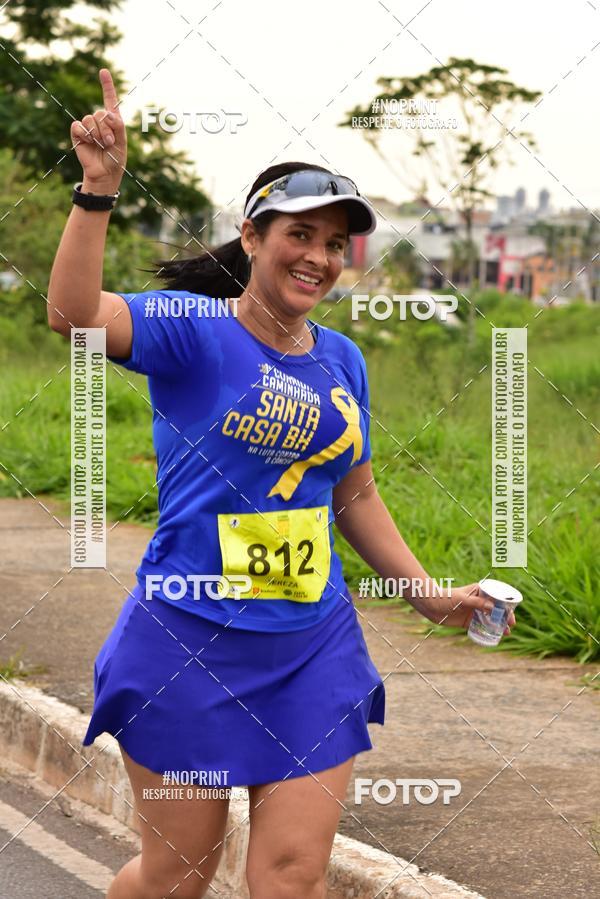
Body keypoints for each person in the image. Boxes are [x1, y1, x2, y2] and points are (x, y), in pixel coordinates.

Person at [47, 69, 515, 899]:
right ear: (254, 236)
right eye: (301, 233)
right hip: (189, 639)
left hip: (309, 645)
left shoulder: (343, 359)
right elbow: (74, 313)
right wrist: (97, 192)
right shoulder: (193, 333)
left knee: (292, 875)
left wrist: (427, 594)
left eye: (336, 244)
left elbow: (356, 494)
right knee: (177, 873)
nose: (320, 257)